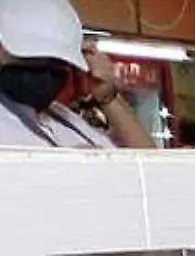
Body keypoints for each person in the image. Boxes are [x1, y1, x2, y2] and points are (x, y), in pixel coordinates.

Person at [0, 0, 153, 148]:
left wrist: (108, 98)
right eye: (32, 59)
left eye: (57, 63)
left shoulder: (66, 120)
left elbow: (151, 167)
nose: (45, 71)